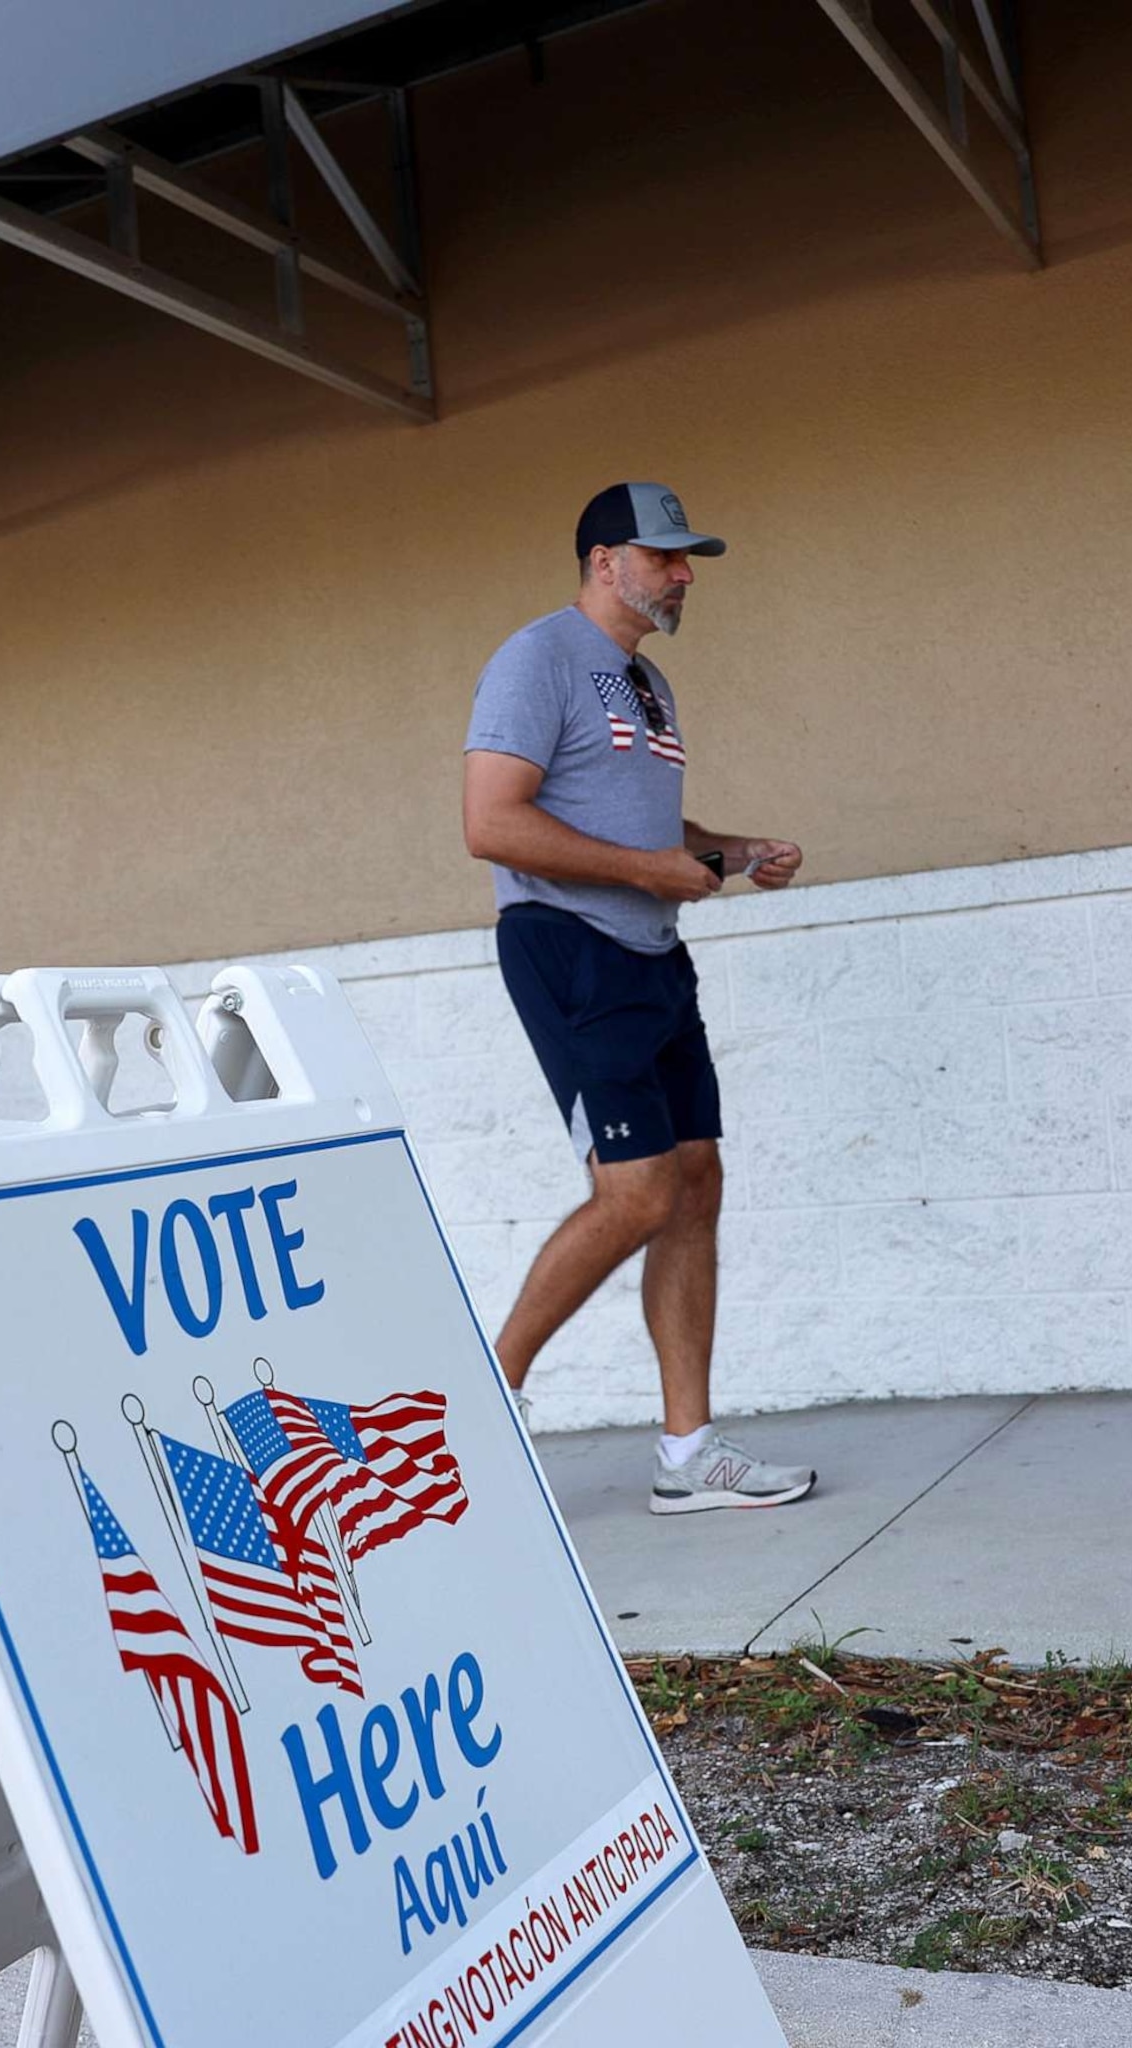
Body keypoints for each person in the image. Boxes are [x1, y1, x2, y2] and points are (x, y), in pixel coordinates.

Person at [461, 481, 816, 1514]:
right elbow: (492, 822)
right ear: (604, 560)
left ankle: (686, 1450)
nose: (683, 573)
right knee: (639, 1192)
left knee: (695, 1178)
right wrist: (646, 871)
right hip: (570, 946)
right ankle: (490, 1393)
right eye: (665, 556)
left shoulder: (645, 681)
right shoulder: (536, 659)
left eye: (686, 557)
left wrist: (730, 850)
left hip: (651, 949)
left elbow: (642, 826)